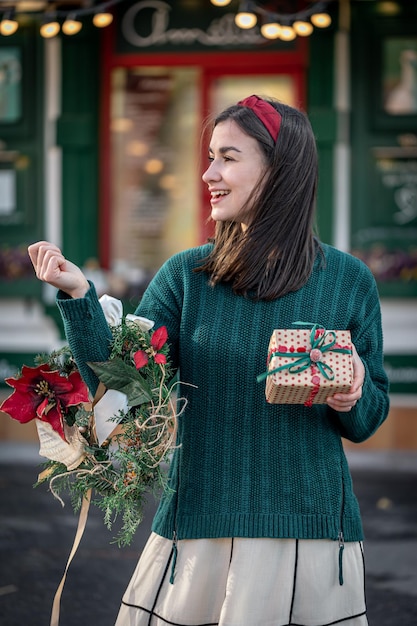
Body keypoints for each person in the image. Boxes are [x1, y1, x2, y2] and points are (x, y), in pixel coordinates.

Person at [28, 95, 390, 626]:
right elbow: (127, 385)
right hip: (198, 533)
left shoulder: (348, 280)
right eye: (210, 156)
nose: (208, 173)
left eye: (228, 157)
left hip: (311, 538)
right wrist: (79, 295)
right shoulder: (186, 276)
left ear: (280, 169)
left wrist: (354, 393)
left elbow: (370, 416)